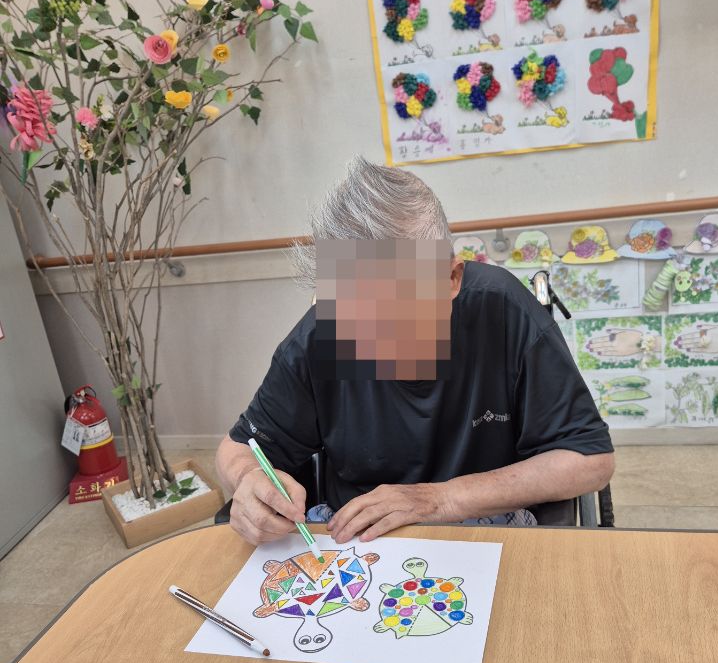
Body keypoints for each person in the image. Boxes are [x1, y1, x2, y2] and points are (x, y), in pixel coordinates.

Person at [215, 156, 614, 546]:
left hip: (481, 530)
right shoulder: (320, 335)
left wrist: (440, 499)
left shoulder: (502, 310)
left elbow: (589, 460)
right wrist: (250, 480)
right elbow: (239, 449)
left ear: (451, 278)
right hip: (357, 542)